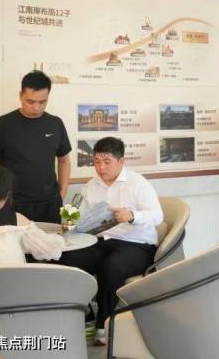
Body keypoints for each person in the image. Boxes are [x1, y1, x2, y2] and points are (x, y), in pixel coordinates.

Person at [59, 137, 163, 346]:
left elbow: (157, 215)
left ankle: (104, 324)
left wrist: (132, 216)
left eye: (107, 162)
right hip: (102, 242)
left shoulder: (138, 183)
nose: (101, 167)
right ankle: (81, 313)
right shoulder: (91, 186)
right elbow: (76, 213)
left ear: (121, 161)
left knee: (111, 267)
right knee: (67, 259)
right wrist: (69, 221)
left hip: (136, 245)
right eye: (97, 161)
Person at [0, 70, 72, 223]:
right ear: (20, 96)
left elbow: (64, 160)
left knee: (50, 238)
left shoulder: (55, 123)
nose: (36, 107)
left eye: (42, 102)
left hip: (49, 203)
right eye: (30, 101)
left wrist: (62, 192)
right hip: (12, 203)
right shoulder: (3, 124)